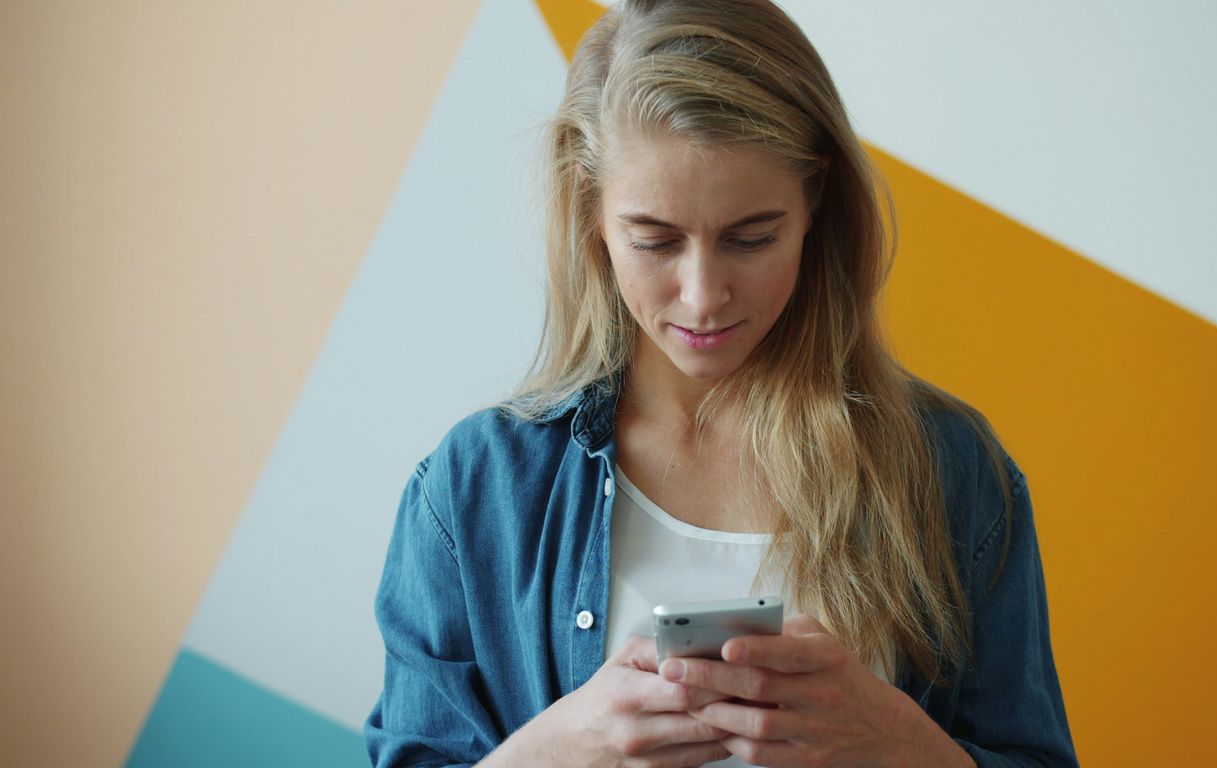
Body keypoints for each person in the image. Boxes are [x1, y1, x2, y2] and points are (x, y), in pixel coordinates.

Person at [364, 1, 1077, 766]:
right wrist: (567, 748)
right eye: (655, 240)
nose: (703, 297)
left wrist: (901, 747)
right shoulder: (479, 488)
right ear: (591, 214)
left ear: (816, 207)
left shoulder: (951, 473)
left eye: (751, 237)